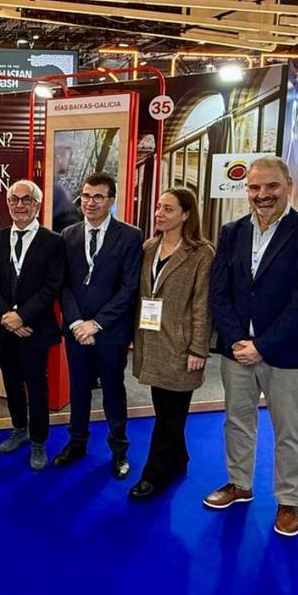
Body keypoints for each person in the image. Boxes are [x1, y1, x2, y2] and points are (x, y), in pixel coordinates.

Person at [206, 157, 298, 537]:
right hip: (237, 351)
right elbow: (219, 291)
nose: (262, 195)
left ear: (288, 185)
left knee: (290, 431)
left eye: (271, 187)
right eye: (255, 188)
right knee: (237, 422)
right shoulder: (232, 231)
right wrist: (235, 340)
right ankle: (239, 484)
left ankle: (289, 502)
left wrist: (263, 345)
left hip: (289, 354)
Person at [53, 172, 143, 480]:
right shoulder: (68, 235)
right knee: (78, 388)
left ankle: (119, 450)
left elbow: (129, 288)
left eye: (98, 197)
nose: (90, 203)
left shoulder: (131, 236)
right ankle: (77, 442)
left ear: (111, 200)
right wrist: (78, 322)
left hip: (111, 331)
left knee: (113, 391)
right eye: (86, 196)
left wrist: (97, 324)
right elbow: (63, 285)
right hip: (77, 330)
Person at [127, 188, 214, 501]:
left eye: (168, 209)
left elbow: (203, 304)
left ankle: (153, 474)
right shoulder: (149, 247)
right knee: (165, 407)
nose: (159, 214)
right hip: (151, 341)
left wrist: (198, 349)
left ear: (186, 214)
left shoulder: (201, 253)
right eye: (158, 207)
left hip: (181, 345)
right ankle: (178, 460)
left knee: (169, 414)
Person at [0, 179, 63, 470]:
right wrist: (7, 316)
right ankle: (19, 428)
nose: (19, 205)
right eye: (14, 199)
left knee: (36, 386)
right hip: (5, 329)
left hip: (35, 329)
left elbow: (52, 286)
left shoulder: (53, 241)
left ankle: (39, 440)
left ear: (37, 204)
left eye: (26, 199)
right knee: (11, 382)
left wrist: (23, 316)